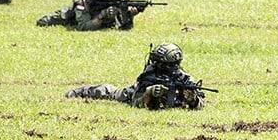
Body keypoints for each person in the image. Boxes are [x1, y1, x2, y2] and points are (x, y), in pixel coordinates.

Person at [65, 43, 206, 110]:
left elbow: (200, 106)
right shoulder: (150, 75)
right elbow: (135, 102)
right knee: (109, 92)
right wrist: (148, 93)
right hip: (132, 93)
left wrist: (193, 100)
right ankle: (80, 91)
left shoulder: (184, 79)